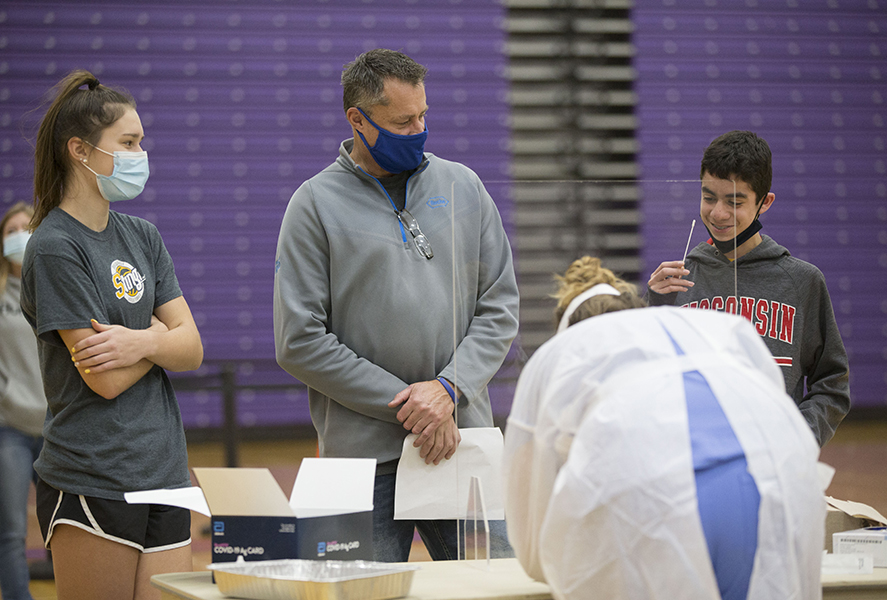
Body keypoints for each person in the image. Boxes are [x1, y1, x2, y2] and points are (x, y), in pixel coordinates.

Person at [274, 48, 519, 562]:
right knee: (348, 598)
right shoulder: (313, 204)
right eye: (402, 122)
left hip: (458, 441)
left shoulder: (465, 187)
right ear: (357, 120)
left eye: (423, 116)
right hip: (359, 459)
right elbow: (299, 341)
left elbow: (499, 307)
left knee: (498, 590)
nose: (419, 130)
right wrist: (415, 406)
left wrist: (449, 390)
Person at [504, 256, 824, 600]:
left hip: (660, 501)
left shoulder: (565, 355)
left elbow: (534, 544)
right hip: (785, 474)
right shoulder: (699, 332)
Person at [19, 70, 204, 600]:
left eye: (140, 141)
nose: (139, 153)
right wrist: (159, 334)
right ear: (80, 151)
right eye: (127, 143)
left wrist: (143, 341)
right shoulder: (55, 246)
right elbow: (105, 379)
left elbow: (191, 348)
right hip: (92, 475)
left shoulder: (143, 235)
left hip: (166, 469)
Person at [646, 130, 850, 447]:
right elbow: (646, 379)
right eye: (708, 197)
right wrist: (654, 306)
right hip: (691, 462)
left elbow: (832, 382)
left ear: (764, 203)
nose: (718, 213)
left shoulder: (802, 281)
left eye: (735, 201)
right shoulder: (677, 281)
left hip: (772, 465)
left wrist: (800, 440)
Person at [0, 202, 47, 600]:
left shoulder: (54, 288)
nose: (18, 235)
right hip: (9, 432)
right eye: (11, 229)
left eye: (25, 227)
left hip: (55, 428)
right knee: (12, 533)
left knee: (65, 529)